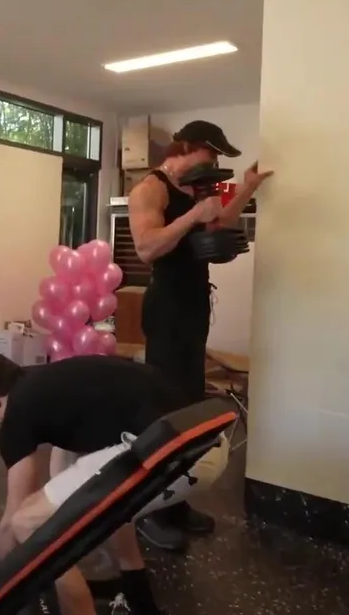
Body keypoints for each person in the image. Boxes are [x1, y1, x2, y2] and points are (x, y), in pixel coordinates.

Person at [0, 347, 230, 615]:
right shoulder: (46, 382)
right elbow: (65, 480)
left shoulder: (16, 414)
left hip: (179, 452)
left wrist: (0, 594)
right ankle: (139, 599)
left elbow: (11, 520)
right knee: (102, 500)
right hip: (207, 433)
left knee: (26, 522)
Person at [126, 119, 270, 550]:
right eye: (211, 153)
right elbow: (146, 247)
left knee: (188, 407)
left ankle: (176, 502)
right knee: (164, 410)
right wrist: (192, 214)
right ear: (187, 147)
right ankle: (149, 511)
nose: (214, 161)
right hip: (167, 308)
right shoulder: (149, 189)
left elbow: (218, 220)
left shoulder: (198, 187)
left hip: (193, 306)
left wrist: (246, 187)